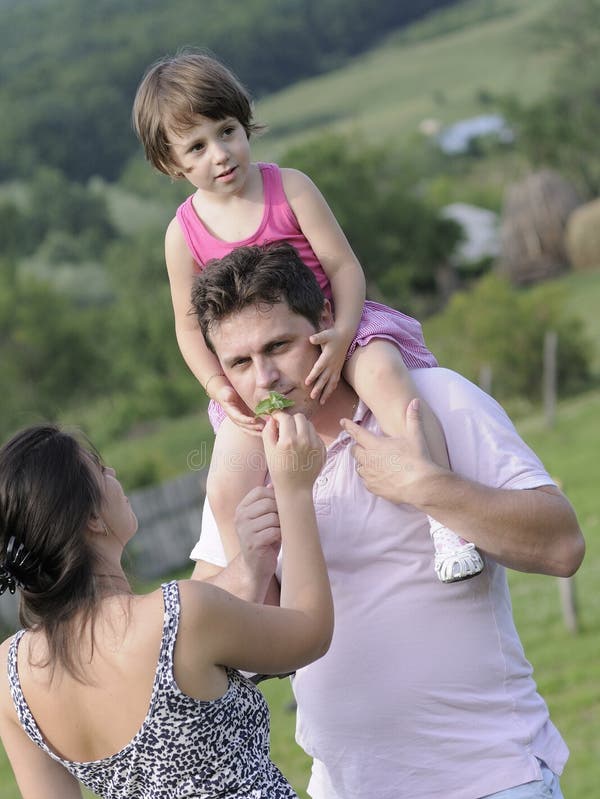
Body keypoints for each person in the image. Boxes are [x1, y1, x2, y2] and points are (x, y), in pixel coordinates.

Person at [189, 242, 587, 799]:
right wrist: (249, 562)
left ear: (326, 326)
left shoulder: (432, 403)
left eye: (279, 346)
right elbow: (208, 622)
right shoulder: (248, 465)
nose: (263, 379)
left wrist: (428, 486)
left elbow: (562, 544)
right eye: (239, 362)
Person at [131, 49, 484, 584]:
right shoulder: (182, 234)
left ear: (245, 121)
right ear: (170, 164)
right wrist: (217, 383)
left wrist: (342, 337)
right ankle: (256, 585)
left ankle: (447, 518)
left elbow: (343, 267)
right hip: (256, 368)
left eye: (227, 131)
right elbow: (186, 326)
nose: (221, 154)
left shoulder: (289, 187)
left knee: (391, 386)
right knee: (226, 480)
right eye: (197, 147)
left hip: (338, 324)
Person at [0, 420, 337, 799]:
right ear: (92, 519)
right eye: (100, 469)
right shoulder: (178, 614)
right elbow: (310, 630)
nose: (113, 470)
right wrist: (295, 489)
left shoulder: (9, 673)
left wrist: (249, 563)